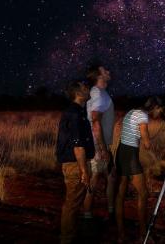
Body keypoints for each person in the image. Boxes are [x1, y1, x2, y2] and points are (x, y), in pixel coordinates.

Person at [115, 96, 165, 242]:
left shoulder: (132, 112)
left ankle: (121, 235)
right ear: (155, 107)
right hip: (130, 155)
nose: (159, 114)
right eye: (159, 110)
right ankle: (143, 234)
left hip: (121, 153)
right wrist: (160, 131)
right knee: (143, 194)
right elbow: (147, 144)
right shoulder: (143, 116)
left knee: (120, 195)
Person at [56, 79, 95, 244]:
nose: (88, 89)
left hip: (75, 163)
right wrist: (84, 171)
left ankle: (69, 235)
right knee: (72, 204)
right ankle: (67, 238)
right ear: (78, 93)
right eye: (85, 87)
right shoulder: (74, 113)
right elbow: (77, 145)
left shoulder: (77, 111)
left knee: (73, 203)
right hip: (75, 164)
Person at [82, 63, 116, 219]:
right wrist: (102, 149)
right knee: (94, 180)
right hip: (97, 144)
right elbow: (95, 121)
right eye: (104, 70)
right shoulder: (99, 94)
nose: (108, 71)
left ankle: (110, 210)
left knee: (110, 175)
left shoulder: (99, 93)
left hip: (99, 143)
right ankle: (87, 217)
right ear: (98, 76)